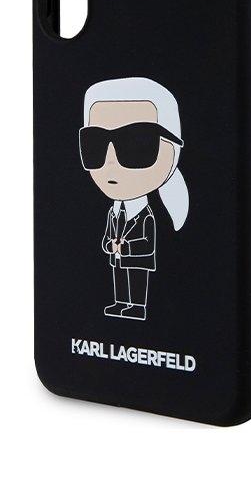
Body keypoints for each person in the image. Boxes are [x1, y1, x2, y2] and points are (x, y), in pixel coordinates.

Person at [78, 77, 188, 320]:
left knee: (137, 281)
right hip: (118, 257)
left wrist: (125, 247)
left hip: (137, 260)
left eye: (137, 143)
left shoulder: (145, 215)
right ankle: (121, 303)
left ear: (172, 151)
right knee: (119, 279)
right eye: (94, 144)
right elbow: (108, 234)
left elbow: (147, 243)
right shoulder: (113, 212)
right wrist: (109, 245)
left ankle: (137, 306)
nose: (111, 161)